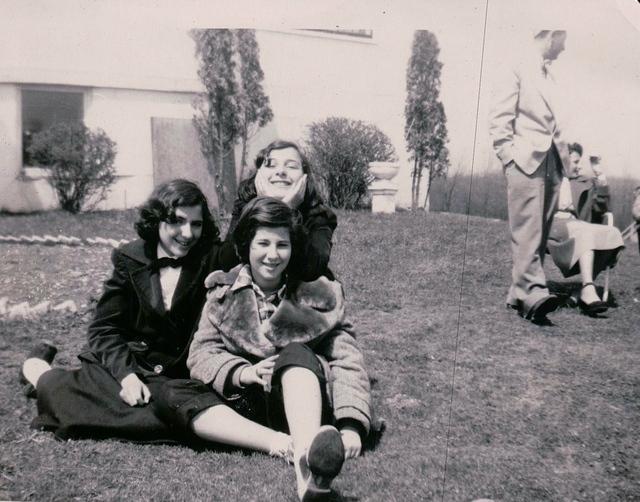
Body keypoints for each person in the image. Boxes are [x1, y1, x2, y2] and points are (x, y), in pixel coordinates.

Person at [155, 197, 371, 501]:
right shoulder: (221, 295)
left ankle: (306, 472)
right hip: (247, 409)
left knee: (296, 354)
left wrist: (351, 426)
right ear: (246, 246)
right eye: (263, 244)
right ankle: (281, 444)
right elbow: (201, 354)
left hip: (303, 401)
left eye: (282, 245)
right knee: (173, 391)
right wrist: (244, 373)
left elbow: (348, 360)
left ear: (293, 248)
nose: (272, 255)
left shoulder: (320, 295)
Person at [20, 179, 238, 441]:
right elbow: (105, 328)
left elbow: (245, 238)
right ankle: (35, 366)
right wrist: (128, 376)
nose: (188, 233)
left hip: (177, 376)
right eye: (177, 221)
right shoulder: (129, 257)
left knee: (168, 413)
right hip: (130, 363)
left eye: (196, 223)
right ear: (157, 219)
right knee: (61, 391)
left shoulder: (211, 257)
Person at [489, 29, 570, 323]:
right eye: (564, 41)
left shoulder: (550, 75)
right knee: (527, 229)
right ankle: (533, 293)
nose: (564, 49)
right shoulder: (516, 64)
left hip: (552, 161)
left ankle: (517, 292)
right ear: (551, 35)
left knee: (540, 231)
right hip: (524, 159)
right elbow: (500, 115)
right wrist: (508, 157)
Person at [228, 140, 337, 281]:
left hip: (300, 296)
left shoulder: (319, 215)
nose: (280, 172)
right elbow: (227, 262)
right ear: (259, 173)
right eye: (271, 165)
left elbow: (313, 269)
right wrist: (263, 207)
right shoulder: (244, 206)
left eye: (291, 166)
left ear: (305, 176)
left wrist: (288, 211)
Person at [548, 147, 625, 315]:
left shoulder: (584, 183)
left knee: (613, 235)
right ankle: (588, 290)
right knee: (585, 231)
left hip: (576, 225)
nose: (578, 167)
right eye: (575, 162)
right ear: (563, 160)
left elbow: (602, 208)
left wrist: (600, 174)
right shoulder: (548, 178)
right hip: (552, 224)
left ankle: (581, 291)